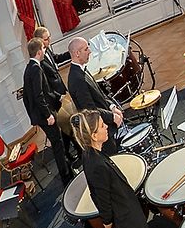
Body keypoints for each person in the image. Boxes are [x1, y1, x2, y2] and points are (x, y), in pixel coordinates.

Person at [76, 109, 172, 228]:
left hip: (124, 208)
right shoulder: (95, 164)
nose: (107, 127)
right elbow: (102, 197)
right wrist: (107, 225)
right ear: (93, 135)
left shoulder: (90, 154)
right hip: (125, 217)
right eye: (102, 126)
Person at [23, 38, 75, 183]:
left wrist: (56, 97)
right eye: (44, 49)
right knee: (57, 145)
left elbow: (33, 95)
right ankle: (66, 176)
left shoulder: (29, 68)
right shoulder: (36, 69)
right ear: (39, 52)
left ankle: (67, 171)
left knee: (58, 142)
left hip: (40, 114)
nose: (45, 51)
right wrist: (48, 115)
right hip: (44, 116)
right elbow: (38, 95)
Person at [66, 37, 123, 154]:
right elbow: (90, 110)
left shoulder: (82, 69)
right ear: (77, 53)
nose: (90, 51)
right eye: (86, 49)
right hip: (99, 129)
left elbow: (99, 95)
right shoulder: (77, 79)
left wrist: (112, 107)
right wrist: (112, 117)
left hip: (105, 122)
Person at [31, 25, 78, 151]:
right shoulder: (39, 62)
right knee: (65, 124)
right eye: (46, 39)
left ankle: (70, 149)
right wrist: (59, 96)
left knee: (67, 122)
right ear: (39, 40)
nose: (49, 40)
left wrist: (71, 53)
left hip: (61, 91)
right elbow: (46, 86)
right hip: (55, 97)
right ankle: (70, 151)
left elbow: (56, 59)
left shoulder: (47, 50)